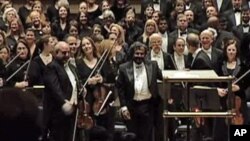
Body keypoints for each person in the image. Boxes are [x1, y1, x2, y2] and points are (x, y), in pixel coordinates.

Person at [116, 41, 163, 141]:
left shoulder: (153, 65)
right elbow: (120, 89)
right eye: (137, 53)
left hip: (148, 106)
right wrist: (123, 107)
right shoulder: (123, 68)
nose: (139, 56)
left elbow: (164, 77)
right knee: (133, 135)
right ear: (132, 54)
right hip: (131, 106)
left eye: (142, 54)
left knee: (147, 136)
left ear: (145, 55)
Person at [43, 41, 81, 141]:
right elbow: (54, 87)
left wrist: (82, 89)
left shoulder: (72, 67)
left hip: (73, 109)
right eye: (64, 53)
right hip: (58, 111)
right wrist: (63, 102)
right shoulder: (51, 67)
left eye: (68, 52)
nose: (67, 55)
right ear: (56, 53)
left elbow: (76, 83)